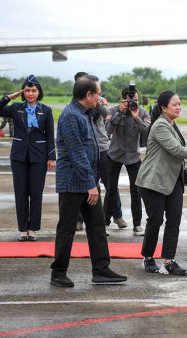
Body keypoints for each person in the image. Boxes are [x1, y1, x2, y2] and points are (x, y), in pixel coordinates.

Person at [52, 75, 127, 287]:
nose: (100, 97)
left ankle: (101, 269)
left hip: (87, 183)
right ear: (88, 95)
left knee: (96, 226)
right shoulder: (70, 116)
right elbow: (77, 154)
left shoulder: (84, 113)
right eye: (98, 94)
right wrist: (90, 184)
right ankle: (58, 272)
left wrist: (91, 183)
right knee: (66, 228)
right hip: (73, 184)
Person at [136, 91, 187, 276]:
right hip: (153, 181)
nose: (179, 107)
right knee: (155, 221)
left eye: (180, 104)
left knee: (174, 220)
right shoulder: (160, 125)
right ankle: (148, 257)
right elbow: (176, 149)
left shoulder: (172, 123)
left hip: (173, 181)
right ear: (163, 108)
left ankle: (169, 261)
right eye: (174, 104)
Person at [0, 75, 55, 241]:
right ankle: (22, 229)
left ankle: (32, 228)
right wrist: (9, 97)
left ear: (39, 91)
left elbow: (50, 135)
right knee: (20, 193)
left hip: (39, 156)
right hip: (18, 156)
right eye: (27, 90)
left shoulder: (46, 110)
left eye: (33, 90)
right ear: (22, 92)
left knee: (36, 193)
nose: (30, 93)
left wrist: (51, 157)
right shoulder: (16, 107)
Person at [72, 73, 126, 234]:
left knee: (111, 185)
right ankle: (80, 219)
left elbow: (108, 115)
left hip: (102, 147)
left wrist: (98, 103)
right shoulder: (74, 107)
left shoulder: (98, 101)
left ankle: (117, 215)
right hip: (86, 149)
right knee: (87, 185)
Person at [104, 86, 150, 236]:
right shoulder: (113, 110)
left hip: (133, 156)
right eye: (130, 101)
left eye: (136, 100)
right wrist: (120, 112)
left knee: (136, 191)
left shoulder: (142, 112)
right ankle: (105, 223)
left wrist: (136, 117)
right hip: (114, 155)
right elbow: (109, 130)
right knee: (110, 190)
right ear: (123, 100)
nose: (133, 103)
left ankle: (137, 224)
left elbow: (148, 131)